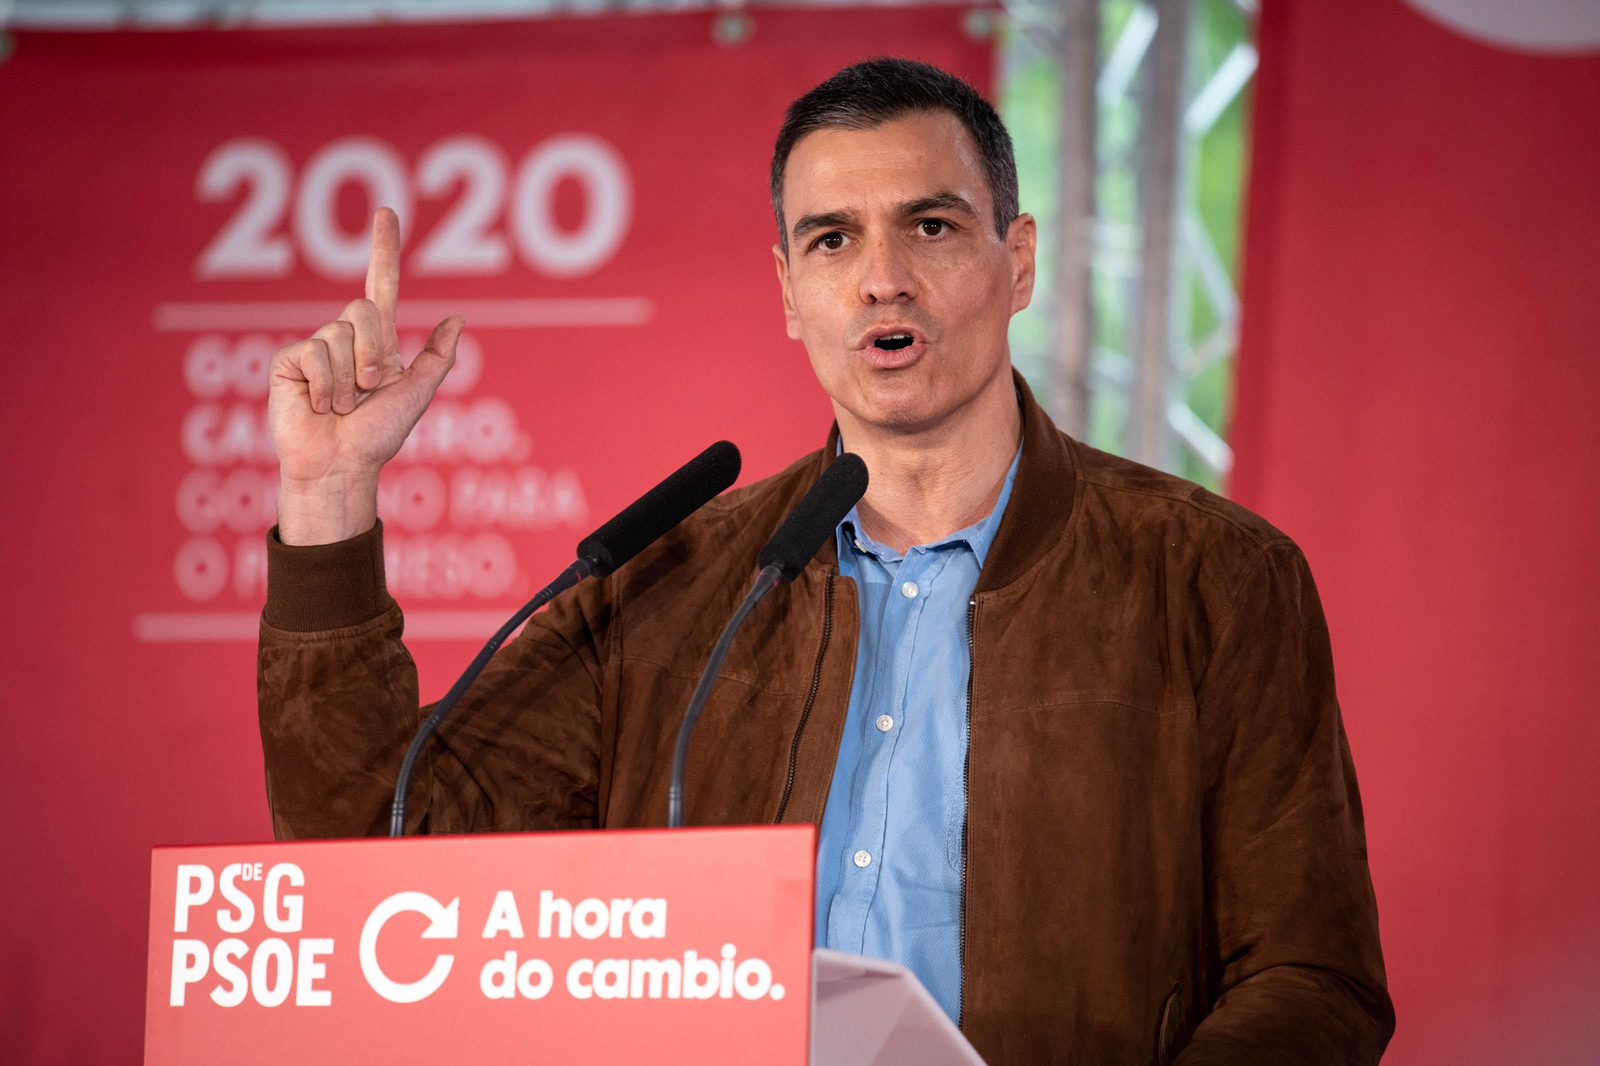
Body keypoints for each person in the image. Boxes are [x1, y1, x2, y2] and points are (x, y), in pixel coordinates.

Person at [259, 58, 1393, 1064]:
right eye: (833, 238)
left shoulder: (1215, 576)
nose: (881, 277)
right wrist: (328, 496)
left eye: (931, 227)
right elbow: (382, 859)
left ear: (1019, 262)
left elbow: (1312, 978)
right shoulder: (662, 585)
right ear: (790, 294)